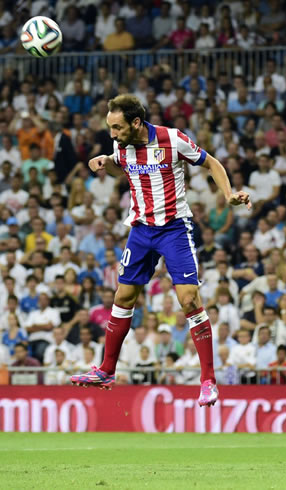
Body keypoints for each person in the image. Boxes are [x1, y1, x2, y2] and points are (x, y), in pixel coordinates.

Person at [71, 94, 250, 407]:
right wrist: (105, 163)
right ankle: (106, 370)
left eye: (116, 127)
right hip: (140, 230)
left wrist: (229, 193)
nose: (112, 134)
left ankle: (208, 380)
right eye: (110, 127)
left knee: (188, 299)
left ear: (136, 122)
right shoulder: (120, 145)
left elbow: (211, 162)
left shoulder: (172, 139)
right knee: (123, 297)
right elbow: (122, 168)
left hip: (173, 228)